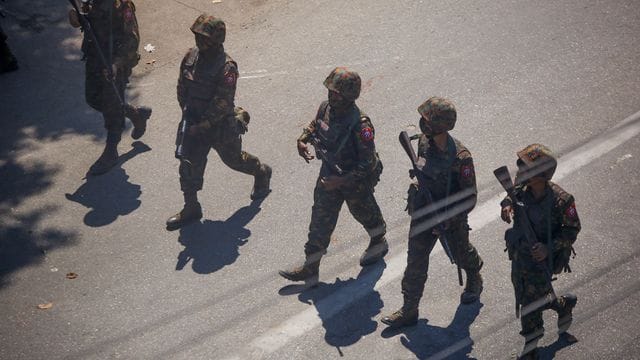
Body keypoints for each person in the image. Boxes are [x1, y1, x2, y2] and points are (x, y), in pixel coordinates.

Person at [278, 67, 387, 285]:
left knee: (363, 212)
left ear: (349, 96)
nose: (331, 95)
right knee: (320, 218)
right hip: (330, 173)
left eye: (336, 93)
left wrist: (343, 180)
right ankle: (311, 267)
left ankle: (378, 240)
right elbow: (314, 125)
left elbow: (369, 162)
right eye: (330, 90)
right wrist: (303, 139)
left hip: (354, 179)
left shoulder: (360, 124)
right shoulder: (326, 108)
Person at [381, 97, 483, 329]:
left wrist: (448, 219)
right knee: (415, 262)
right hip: (424, 212)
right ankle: (409, 309)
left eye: (427, 120)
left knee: (460, 254)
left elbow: (470, 197)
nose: (422, 123)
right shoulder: (423, 143)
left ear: (440, 124)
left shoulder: (461, 157)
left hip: (450, 219)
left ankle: (475, 275)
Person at [166, 14, 272, 231]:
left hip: (219, 126)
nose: (199, 41)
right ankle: (191, 207)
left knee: (234, 160)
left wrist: (204, 124)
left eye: (204, 37)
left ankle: (261, 171)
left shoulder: (227, 66)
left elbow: (224, 102)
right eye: (197, 36)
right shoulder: (190, 57)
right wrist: (187, 114)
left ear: (216, 40)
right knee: (188, 165)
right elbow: (181, 87)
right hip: (193, 122)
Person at [500, 144, 580, 359]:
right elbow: (511, 195)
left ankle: (531, 348)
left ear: (542, 175)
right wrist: (507, 205)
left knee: (530, 303)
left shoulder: (561, 200)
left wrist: (548, 247)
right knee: (524, 293)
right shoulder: (521, 187)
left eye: (526, 168)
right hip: (520, 256)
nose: (520, 171)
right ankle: (563, 305)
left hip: (542, 260)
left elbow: (572, 229)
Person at [68, 0, 152, 175]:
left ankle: (111, 152)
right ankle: (135, 114)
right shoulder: (92, 1)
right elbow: (94, 23)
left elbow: (132, 39)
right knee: (93, 98)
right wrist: (79, 19)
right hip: (95, 57)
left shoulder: (121, 5)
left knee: (112, 107)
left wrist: (116, 64)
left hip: (115, 63)